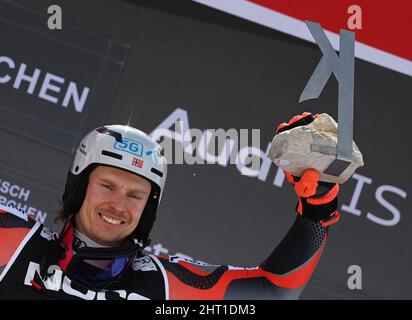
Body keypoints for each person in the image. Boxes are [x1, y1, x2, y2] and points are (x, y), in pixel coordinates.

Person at [0, 112, 340, 300]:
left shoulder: (161, 287)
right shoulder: (17, 245)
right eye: (107, 186)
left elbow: (273, 294)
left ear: (149, 209)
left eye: (135, 195)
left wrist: (317, 209)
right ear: (78, 187)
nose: (118, 204)